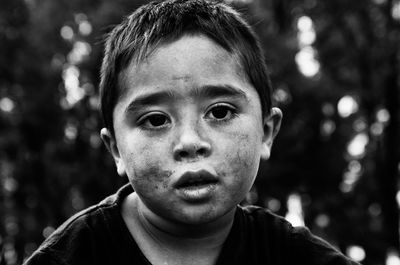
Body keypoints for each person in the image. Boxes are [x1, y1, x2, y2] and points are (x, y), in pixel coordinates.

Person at [24, 0, 361, 264]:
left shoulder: (293, 256)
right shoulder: (72, 256)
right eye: (155, 120)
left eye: (220, 112)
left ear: (266, 132)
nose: (190, 142)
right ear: (115, 149)